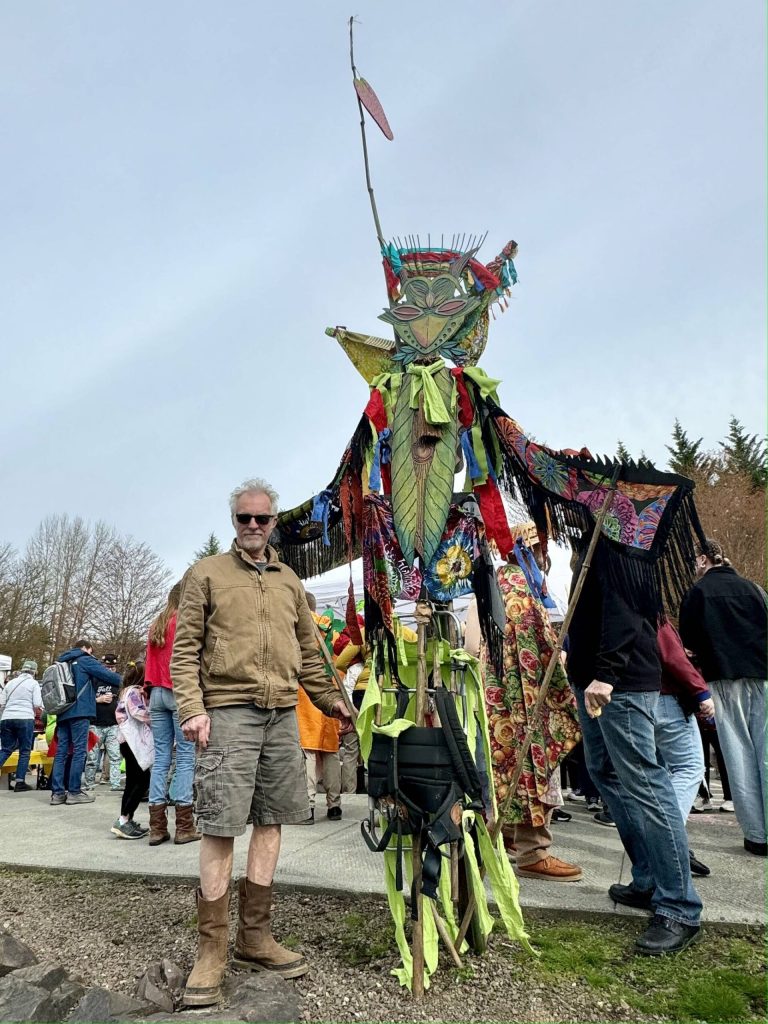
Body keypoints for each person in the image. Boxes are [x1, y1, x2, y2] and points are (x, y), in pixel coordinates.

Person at [172, 477, 354, 1007]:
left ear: (274, 523)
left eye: (262, 518)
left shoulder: (290, 581)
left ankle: (255, 936)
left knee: (272, 819)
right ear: (234, 522)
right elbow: (185, 652)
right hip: (226, 713)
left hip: (281, 717)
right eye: (243, 518)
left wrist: (333, 700)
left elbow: (311, 652)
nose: (253, 526)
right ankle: (213, 947)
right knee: (222, 825)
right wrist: (192, 709)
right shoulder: (205, 574)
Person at [567, 540, 702, 955]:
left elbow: (625, 611)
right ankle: (648, 877)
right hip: (590, 679)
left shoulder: (623, 540)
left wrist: (606, 674)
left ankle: (679, 904)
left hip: (617, 685)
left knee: (647, 784)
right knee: (606, 773)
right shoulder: (590, 538)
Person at [465, 532, 583, 883]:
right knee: (530, 763)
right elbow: (539, 647)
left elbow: (472, 645)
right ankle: (534, 850)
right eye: (541, 550)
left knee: (502, 767)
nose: (545, 557)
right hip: (522, 700)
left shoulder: (489, 583)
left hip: (495, 697)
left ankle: (500, 836)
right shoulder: (519, 587)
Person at [679, 538, 768, 857]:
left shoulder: (697, 594)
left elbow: (687, 644)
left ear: (703, 560)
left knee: (739, 754)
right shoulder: (755, 589)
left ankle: (757, 834)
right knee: (766, 751)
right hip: (763, 674)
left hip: (722, 678)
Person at [655, 621, 713, 876]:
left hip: (639, 698)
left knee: (663, 773)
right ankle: (669, 841)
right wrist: (700, 691)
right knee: (689, 767)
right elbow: (672, 656)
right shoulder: (651, 614)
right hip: (668, 698)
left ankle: (668, 842)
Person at [145, 582, 200, 846]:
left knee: (161, 758)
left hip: (156, 693)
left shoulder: (156, 624)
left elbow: (148, 662)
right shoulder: (183, 621)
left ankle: (156, 828)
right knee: (186, 757)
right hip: (179, 692)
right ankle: (184, 825)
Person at [50, 641, 122, 806]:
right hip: (80, 712)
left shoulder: (62, 661)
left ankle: (58, 793)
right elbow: (109, 676)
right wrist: (131, 681)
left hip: (62, 711)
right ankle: (74, 792)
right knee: (79, 751)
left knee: (61, 753)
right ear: (86, 649)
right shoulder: (84, 659)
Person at [297, 592, 342, 822]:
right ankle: (335, 805)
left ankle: (309, 805)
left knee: (309, 751)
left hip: (308, 696)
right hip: (332, 693)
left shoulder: (301, 628)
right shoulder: (333, 628)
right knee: (331, 751)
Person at [112, 662, 152, 839]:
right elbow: (137, 711)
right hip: (132, 742)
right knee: (142, 780)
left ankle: (126, 819)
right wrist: (156, 717)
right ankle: (124, 819)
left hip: (125, 741)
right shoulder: (134, 691)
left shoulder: (125, 691)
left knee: (132, 781)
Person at [0, 659, 43, 792]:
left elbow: (2, 703)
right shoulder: (33, 683)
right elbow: (37, 703)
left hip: (7, 718)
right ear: (34, 671)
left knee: (6, 749)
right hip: (25, 718)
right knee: (24, 751)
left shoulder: (11, 683)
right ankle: (20, 782)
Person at [83, 665, 122, 792]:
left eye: (113, 667)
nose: (110, 670)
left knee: (115, 756)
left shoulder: (117, 681)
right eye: (107, 667)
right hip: (95, 724)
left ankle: (115, 783)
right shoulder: (94, 681)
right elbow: (84, 700)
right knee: (92, 758)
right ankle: (89, 783)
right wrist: (97, 699)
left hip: (113, 725)